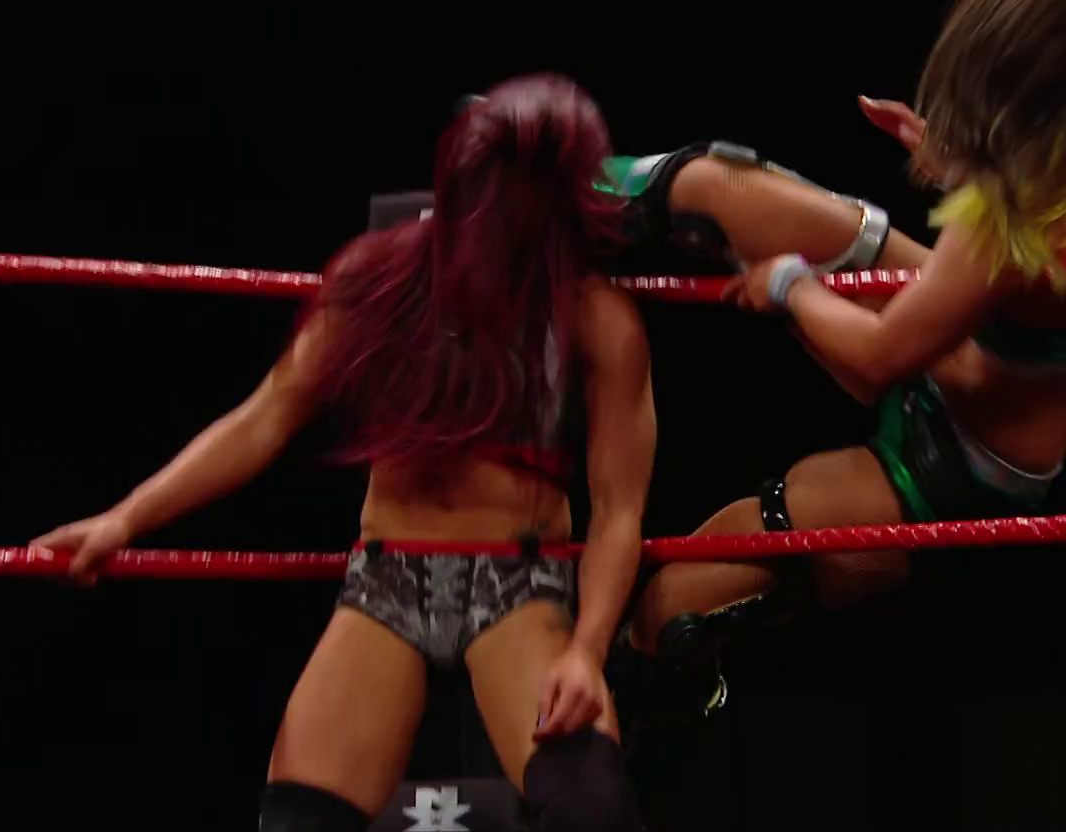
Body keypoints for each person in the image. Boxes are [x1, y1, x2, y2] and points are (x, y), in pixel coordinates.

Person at [33, 75, 657, 832]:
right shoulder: (379, 280)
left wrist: (587, 649)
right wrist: (126, 520)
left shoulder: (594, 317)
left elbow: (619, 507)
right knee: (299, 820)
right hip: (388, 578)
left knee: (592, 808)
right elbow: (265, 418)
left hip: (518, 585)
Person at [606, 0, 1066, 732]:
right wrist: (964, 160)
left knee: (670, 611)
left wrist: (789, 286)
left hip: (964, 462)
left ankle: (611, 755)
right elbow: (1035, 278)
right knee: (731, 189)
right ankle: (558, 187)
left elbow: (883, 355)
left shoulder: (1015, 220)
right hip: (982, 351)